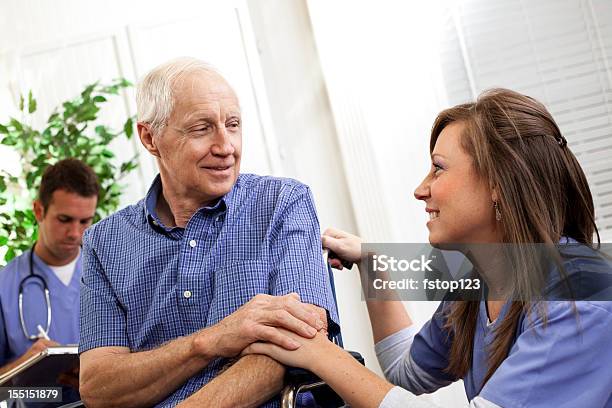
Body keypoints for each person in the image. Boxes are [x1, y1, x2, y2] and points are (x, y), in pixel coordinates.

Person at [243, 89, 612, 407]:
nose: (421, 189)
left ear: (498, 183)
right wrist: (374, 264)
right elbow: (406, 373)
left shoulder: (582, 295)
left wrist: (319, 353)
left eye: (438, 169)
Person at [78, 57, 339, 408]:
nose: (226, 146)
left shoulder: (282, 203)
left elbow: (300, 342)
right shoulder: (103, 243)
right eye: (202, 129)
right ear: (150, 138)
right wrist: (212, 341)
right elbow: (99, 388)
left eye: (233, 125)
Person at [0, 159, 99, 403]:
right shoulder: (5, 287)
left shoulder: (111, 272)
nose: (75, 233)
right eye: (64, 220)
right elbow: (2, 392)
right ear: (39, 211)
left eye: (85, 221)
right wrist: (27, 368)